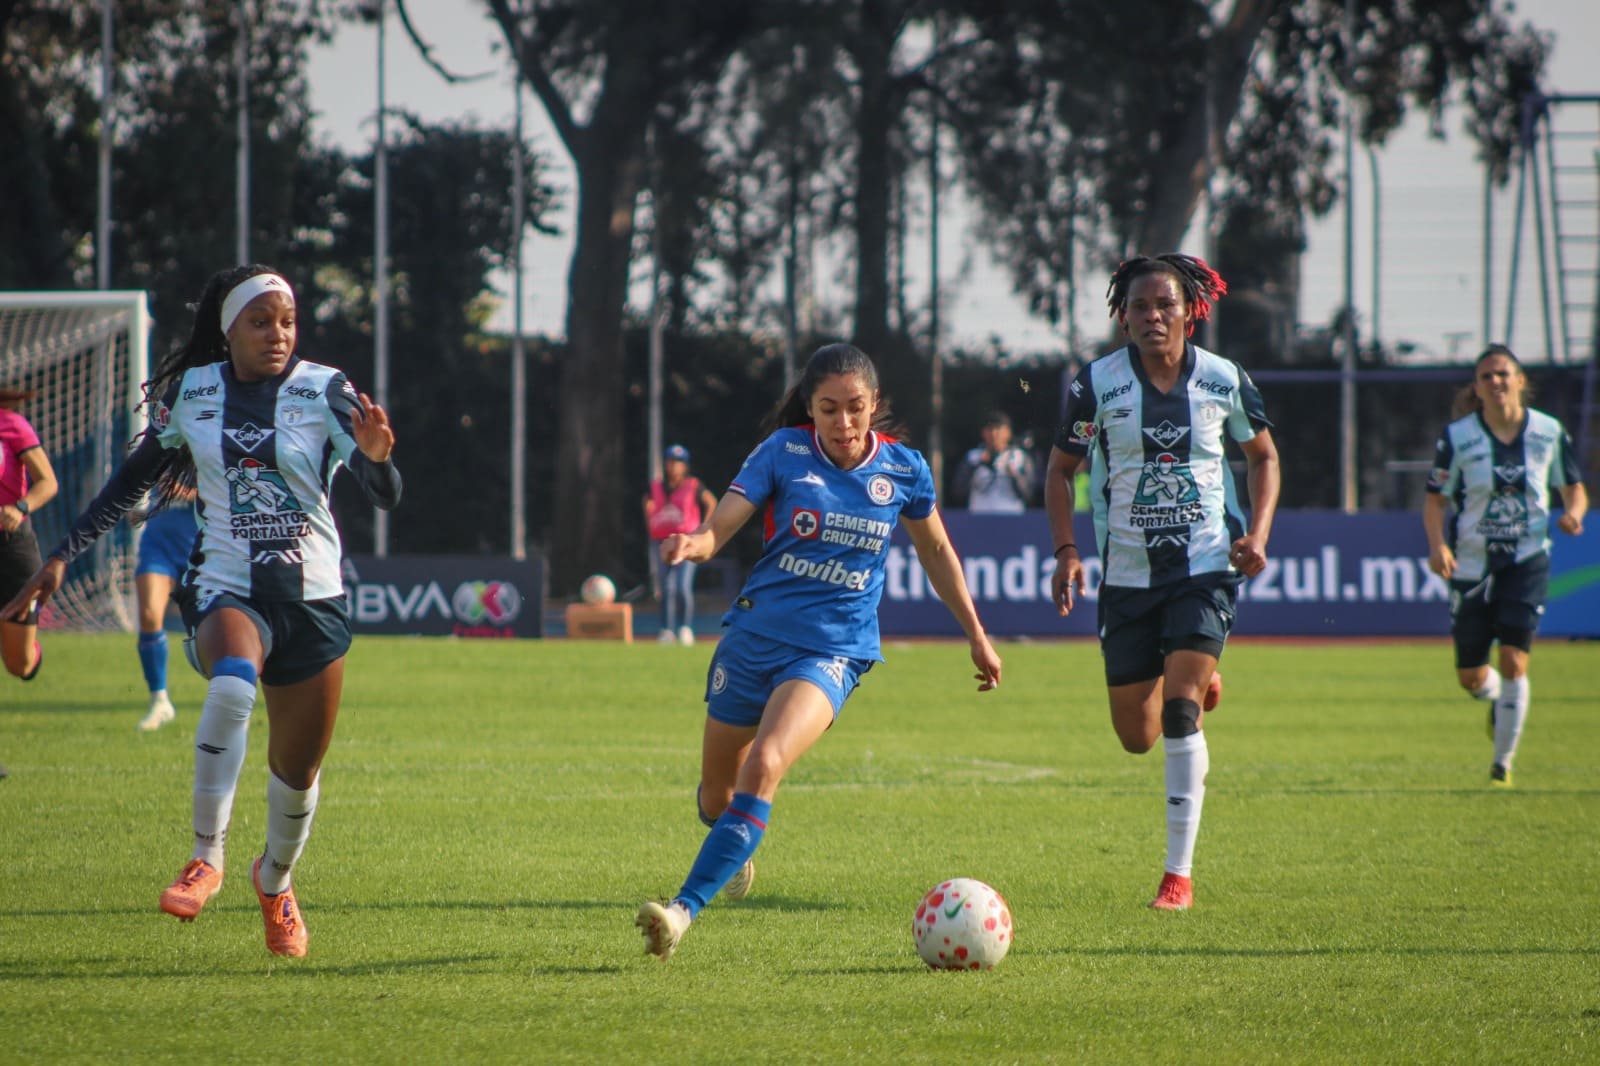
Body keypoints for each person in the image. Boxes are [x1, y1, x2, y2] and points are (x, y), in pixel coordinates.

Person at [2, 264, 401, 956]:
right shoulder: (194, 392)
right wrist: (63, 553)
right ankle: (205, 857)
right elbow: (131, 479)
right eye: (260, 322)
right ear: (229, 329)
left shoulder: (325, 389)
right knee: (232, 683)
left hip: (314, 599)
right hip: (226, 587)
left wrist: (377, 460)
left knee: (297, 776)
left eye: (287, 322)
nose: (277, 334)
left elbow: (384, 492)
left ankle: (274, 882)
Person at [635, 342, 1003, 960]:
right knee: (716, 797)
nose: (844, 422)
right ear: (810, 408)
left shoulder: (904, 470)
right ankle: (732, 847)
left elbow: (937, 551)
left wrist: (977, 634)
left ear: (874, 404)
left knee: (766, 764)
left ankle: (680, 912)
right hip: (753, 639)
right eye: (829, 409)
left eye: (855, 407)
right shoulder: (783, 452)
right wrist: (694, 543)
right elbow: (721, 525)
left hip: (832, 651)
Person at [1044, 254, 1279, 912]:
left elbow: (1263, 457)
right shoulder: (1096, 386)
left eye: (1165, 304)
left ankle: (1178, 877)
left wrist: (1258, 535)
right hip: (1126, 576)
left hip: (1206, 566)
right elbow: (1059, 471)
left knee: (1178, 712)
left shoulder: (1224, 380)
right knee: (1136, 736)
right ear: (1123, 318)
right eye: (1140, 306)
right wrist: (1066, 550)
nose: (1153, 316)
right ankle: (1197, 673)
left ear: (1189, 312)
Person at [1422, 344, 1587, 788]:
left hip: (1527, 559)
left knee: (1514, 659)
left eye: (1502, 374)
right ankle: (1494, 697)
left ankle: (1502, 765)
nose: (1495, 382)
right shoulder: (1458, 437)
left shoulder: (1548, 432)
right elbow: (1435, 500)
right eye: (1486, 376)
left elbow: (1574, 488)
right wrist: (1438, 546)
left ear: (1520, 380)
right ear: (1476, 388)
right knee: (1470, 677)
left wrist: (1574, 514)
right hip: (1472, 562)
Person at [0, 387, 60, 780]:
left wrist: (19, 507)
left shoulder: (11, 425)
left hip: (12, 545)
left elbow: (47, 482)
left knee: (18, 664)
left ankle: (31, 653)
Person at [132, 486, 200, 731]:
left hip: (202, 546)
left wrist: (188, 492)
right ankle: (159, 700)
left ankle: (234, 700)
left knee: (217, 630)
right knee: (149, 614)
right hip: (159, 544)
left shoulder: (210, 457)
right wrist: (137, 507)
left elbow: (228, 489)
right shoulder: (157, 458)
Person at [643, 444, 718, 645]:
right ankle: (666, 630)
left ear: (685, 466)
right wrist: (650, 521)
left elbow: (711, 501)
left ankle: (685, 627)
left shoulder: (693, 485)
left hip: (686, 542)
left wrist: (705, 526)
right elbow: (647, 502)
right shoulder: (656, 486)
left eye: (678, 462)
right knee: (666, 587)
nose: (674, 466)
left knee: (682, 587)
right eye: (671, 462)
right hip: (661, 540)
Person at [952, 411, 1035, 513]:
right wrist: (977, 466)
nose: (993, 434)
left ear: (1008, 432)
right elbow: (958, 492)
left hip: (1011, 516)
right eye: (990, 429)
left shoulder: (1019, 457)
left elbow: (1029, 494)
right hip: (979, 516)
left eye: (998, 429)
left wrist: (1013, 475)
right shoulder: (972, 457)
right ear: (983, 433)